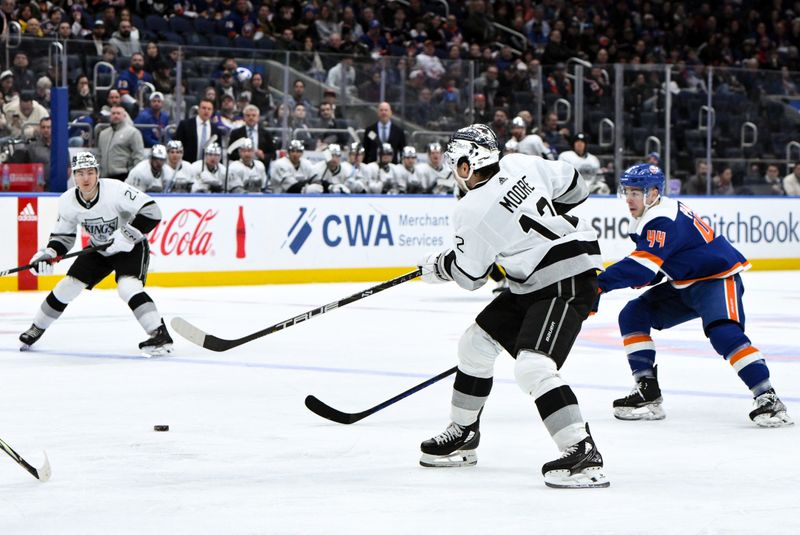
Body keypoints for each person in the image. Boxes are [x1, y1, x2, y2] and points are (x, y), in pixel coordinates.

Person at [416, 124, 608, 488]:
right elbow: (575, 187)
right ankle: (464, 433)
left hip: (563, 279)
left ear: (467, 167)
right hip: (534, 281)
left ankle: (582, 451)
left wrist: (440, 265)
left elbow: (471, 277)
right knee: (475, 344)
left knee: (533, 366)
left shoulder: (469, 209)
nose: (455, 173)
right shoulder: (522, 162)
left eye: (456, 164)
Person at [593, 163, 792, 427]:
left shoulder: (661, 218)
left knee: (723, 333)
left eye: (636, 192)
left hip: (716, 278)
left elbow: (642, 267)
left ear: (653, 193)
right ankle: (647, 391)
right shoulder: (653, 214)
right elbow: (661, 262)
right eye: (627, 191)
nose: (629, 198)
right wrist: (647, 275)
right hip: (686, 281)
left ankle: (768, 397)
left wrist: (598, 284)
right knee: (633, 314)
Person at [19, 152, 173, 356]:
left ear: (97, 173)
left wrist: (126, 234)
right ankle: (36, 327)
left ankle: (159, 334)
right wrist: (49, 253)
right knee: (67, 287)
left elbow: (153, 212)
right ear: (73, 176)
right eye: (80, 173)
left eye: (90, 172)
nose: (85, 178)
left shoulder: (116, 189)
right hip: (99, 248)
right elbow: (63, 238)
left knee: (128, 287)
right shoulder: (67, 201)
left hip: (131, 247)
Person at [97, 106, 145, 180]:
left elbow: (138, 156)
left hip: (123, 176)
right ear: (110, 116)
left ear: (124, 116)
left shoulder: (133, 132)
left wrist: (133, 175)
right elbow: (99, 155)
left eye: (118, 113)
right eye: (113, 113)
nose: (116, 115)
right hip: (104, 177)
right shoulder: (103, 134)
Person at [174, 99, 223, 163]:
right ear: (198, 109)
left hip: (207, 167)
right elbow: (177, 145)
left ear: (212, 111)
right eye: (204, 108)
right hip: (187, 165)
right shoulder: (185, 125)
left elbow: (218, 150)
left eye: (209, 109)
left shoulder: (215, 129)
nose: (206, 111)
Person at [228, 104, 275, 170]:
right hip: (240, 168)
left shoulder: (266, 134)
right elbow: (230, 152)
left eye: (253, 115)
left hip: (261, 168)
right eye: (248, 115)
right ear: (244, 117)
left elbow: (273, 154)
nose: (251, 118)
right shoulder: (236, 133)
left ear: (258, 117)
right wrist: (243, 155)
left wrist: (263, 156)